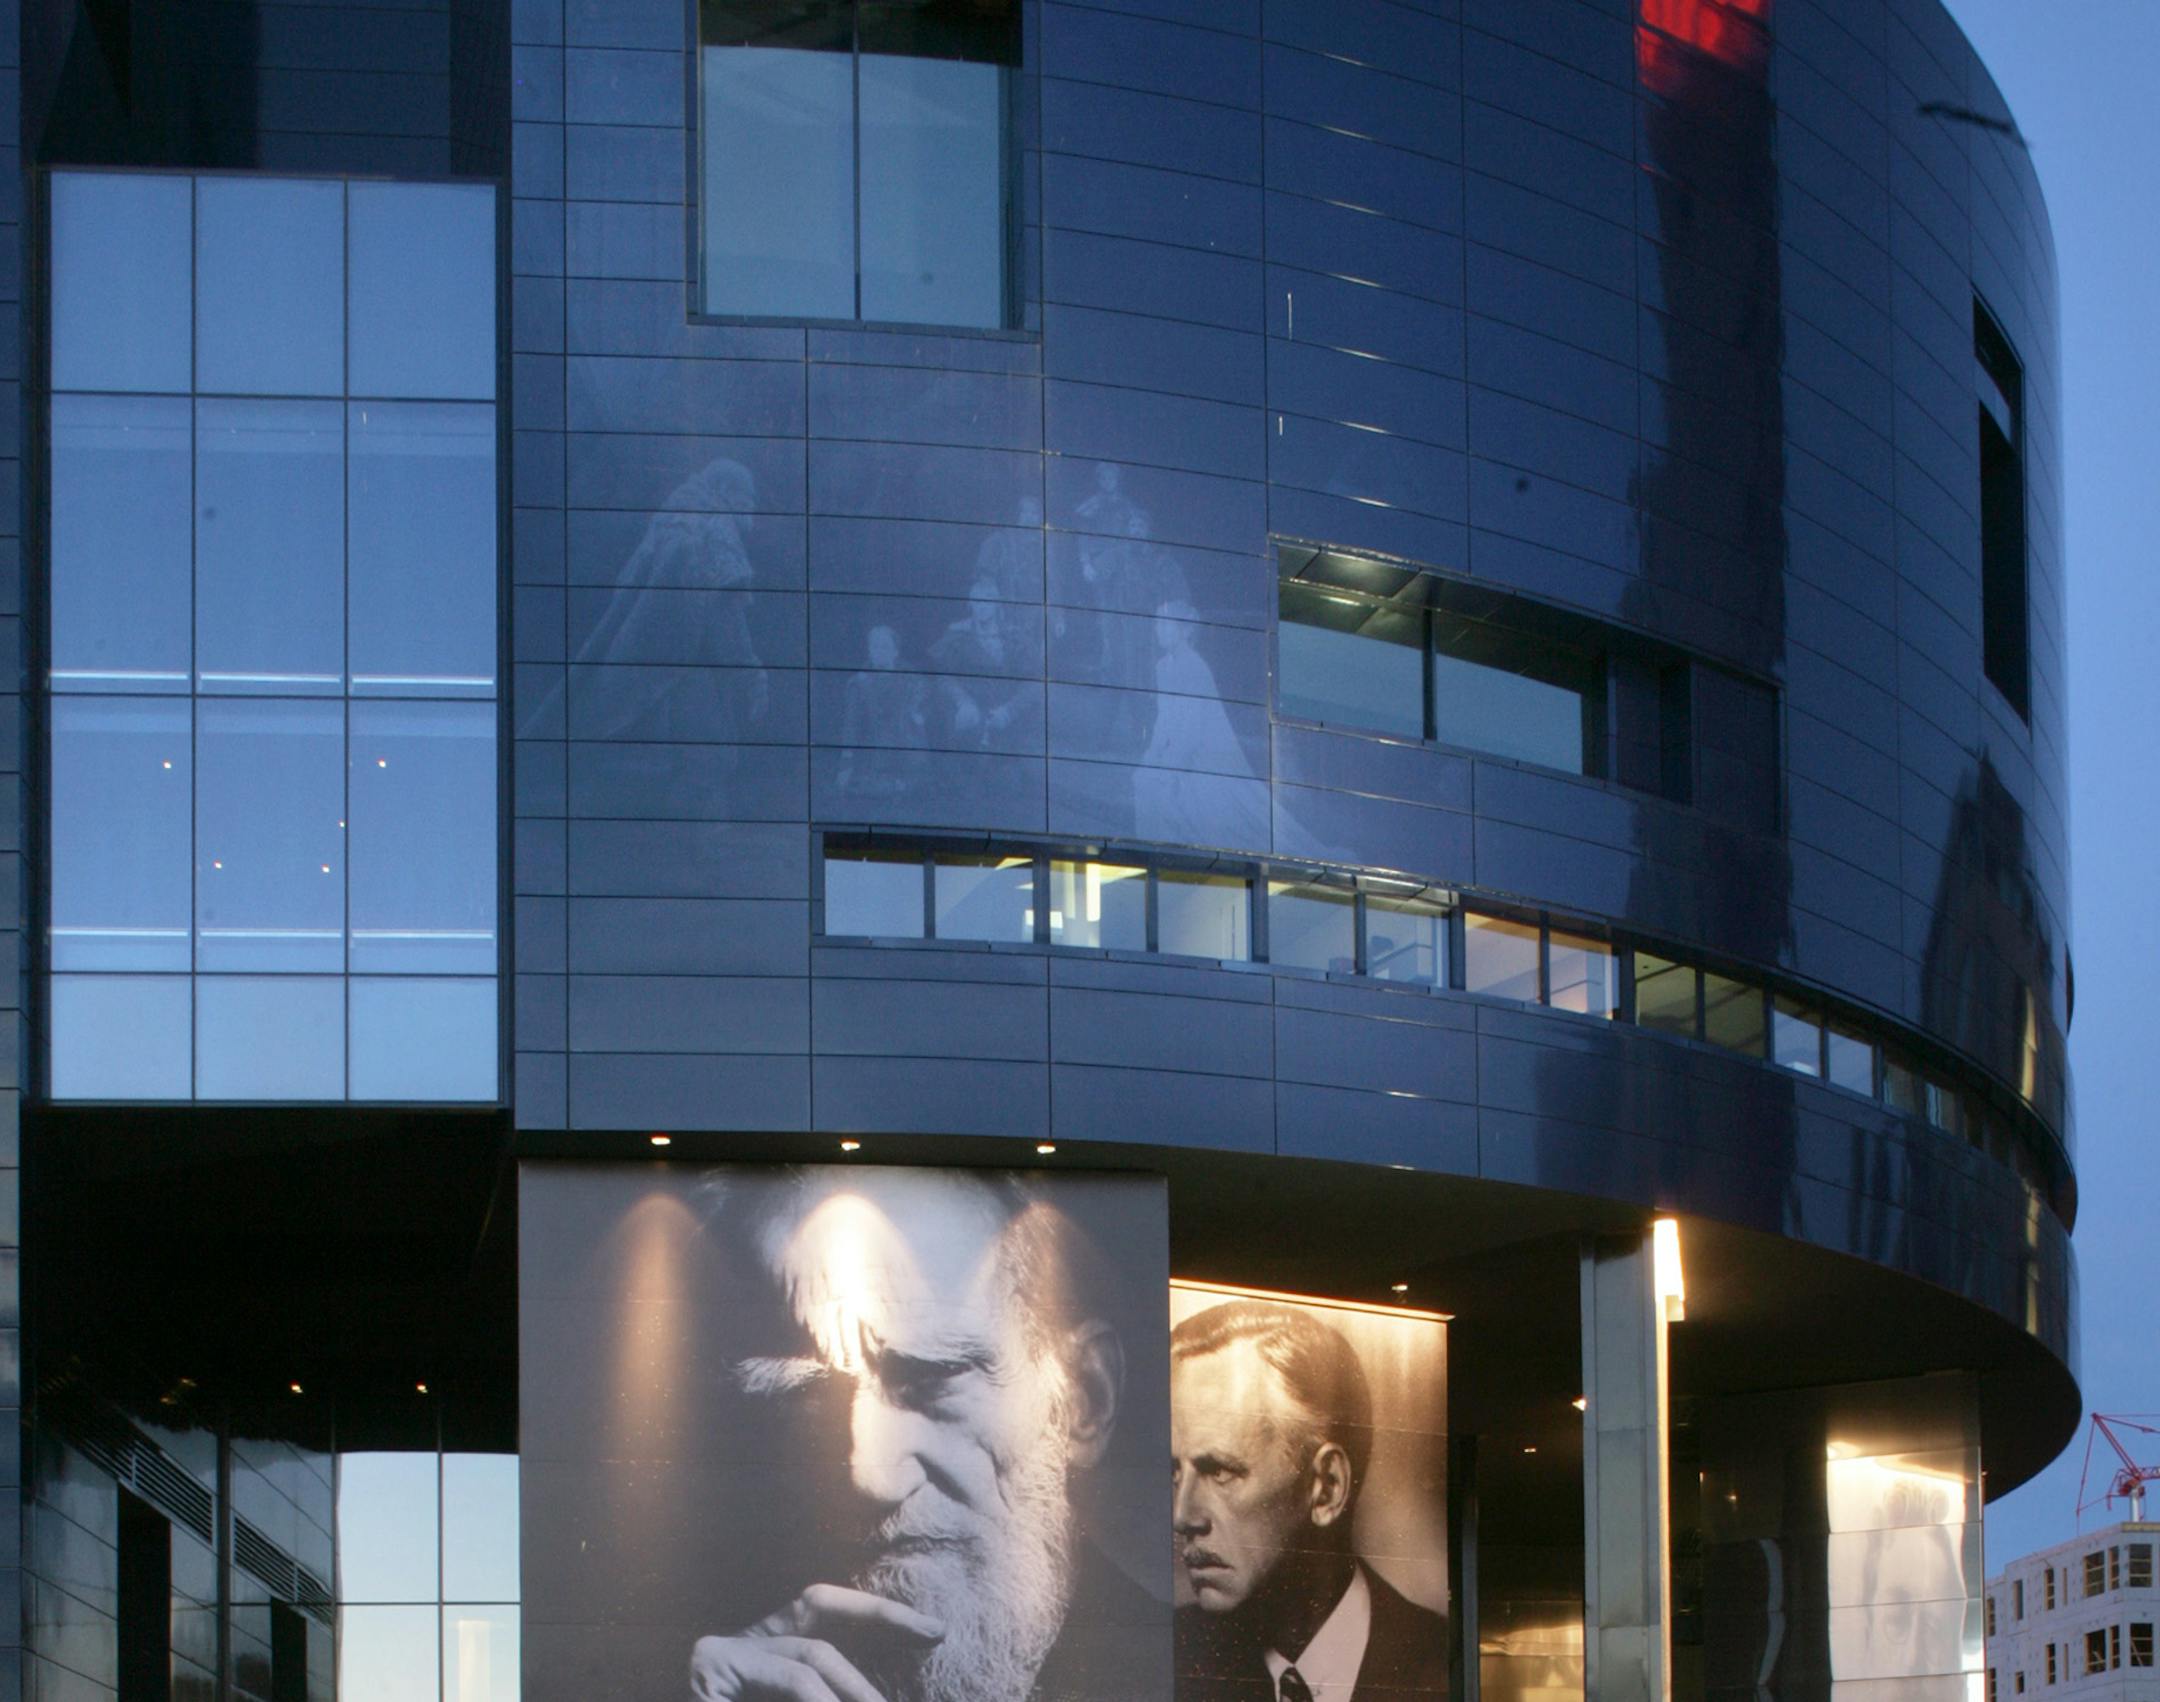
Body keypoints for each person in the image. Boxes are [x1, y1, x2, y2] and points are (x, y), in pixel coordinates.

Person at [689, 1168, 1166, 1702]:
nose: (867, 1474)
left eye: (931, 1381)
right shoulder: (724, 1670)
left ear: (1083, 1401)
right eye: (802, 1397)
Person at [1171, 1300, 1446, 1702]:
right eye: (1174, 1473)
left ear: (1327, 1487)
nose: (1182, 1515)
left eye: (1220, 1471)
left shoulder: (1440, 1664)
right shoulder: (1168, 1658)